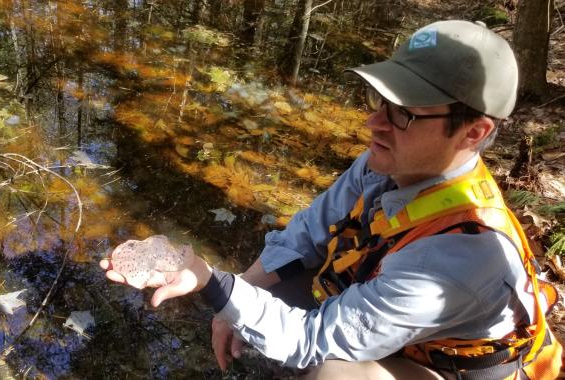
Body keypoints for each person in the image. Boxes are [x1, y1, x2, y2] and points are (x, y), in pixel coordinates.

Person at [100, 20, 563, 379]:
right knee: (269, 287)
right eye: (379, 100)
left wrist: (214, 285)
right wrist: (244, 285)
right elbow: (310, 229)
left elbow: (311, 339)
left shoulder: (458, 258)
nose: (374, 123)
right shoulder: (394, 162)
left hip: (453, 367)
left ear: (474, 132)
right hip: (402, 318)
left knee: (332, 372)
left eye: (403, 113)